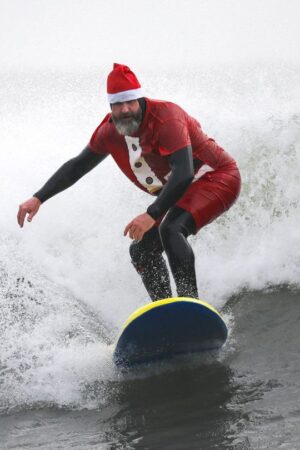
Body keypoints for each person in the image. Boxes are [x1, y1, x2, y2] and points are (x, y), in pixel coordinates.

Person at [17, 63, 241, 301]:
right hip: (184, 189)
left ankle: (190, 305)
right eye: (117, 104)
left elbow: (184, 172)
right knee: (141, 250)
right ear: (110, 106)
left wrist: (152, 213)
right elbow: (78, 165)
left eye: (130, 102)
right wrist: (39, 197)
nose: (125, 110)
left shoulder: (167, 118)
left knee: (171, 228)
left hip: (218, 176)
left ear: (140, 99)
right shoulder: (109, 131)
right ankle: (167, 311)